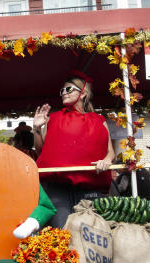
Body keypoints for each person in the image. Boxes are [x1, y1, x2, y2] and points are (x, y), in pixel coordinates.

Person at [32, 71, 115, 228]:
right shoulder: (53, 118)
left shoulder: (99, 120)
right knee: (61, 228)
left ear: (83, 93)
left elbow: (110, 151)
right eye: (62, 91)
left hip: (90, 185)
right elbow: (41, 150)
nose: (63, 93)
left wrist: (107, 161)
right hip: (57, 187)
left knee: (90, 231)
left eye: (68, 89)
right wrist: (37, 129)